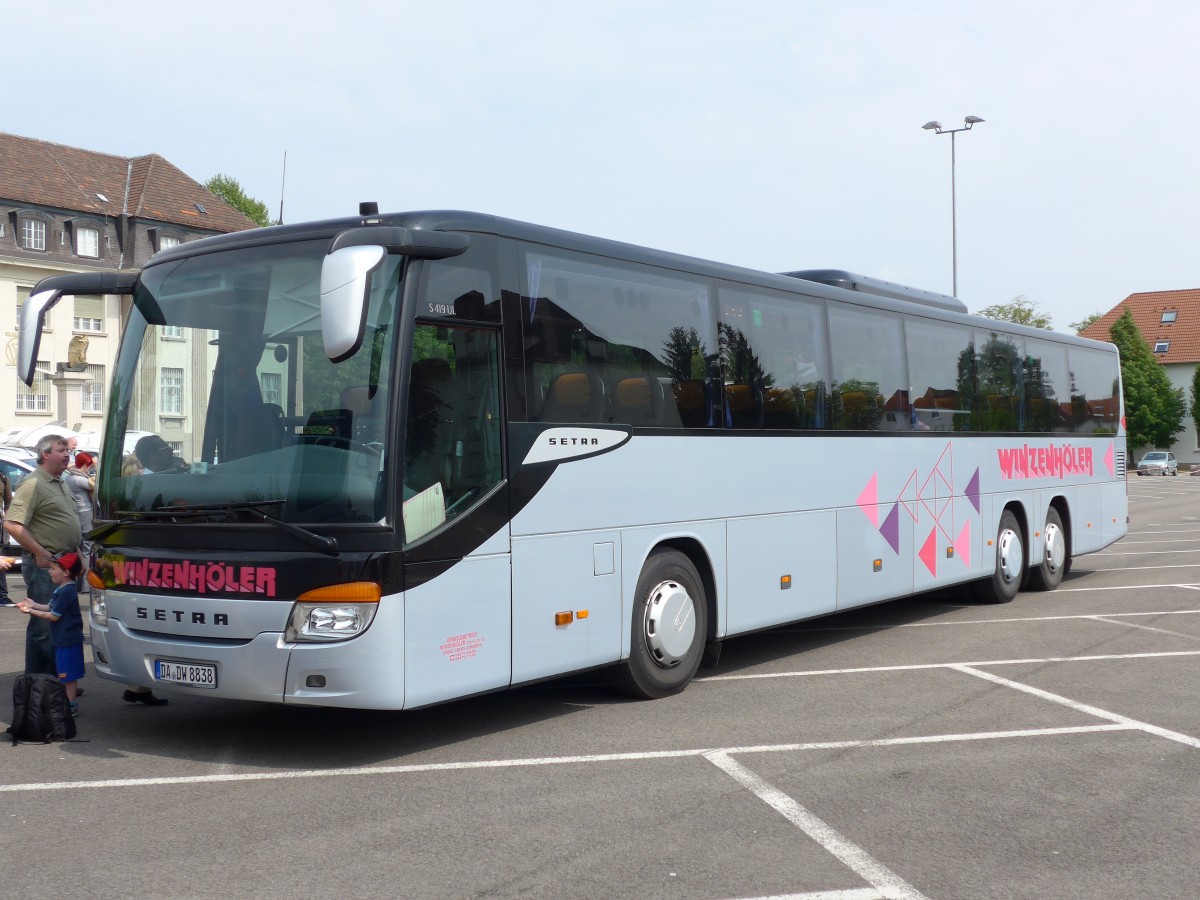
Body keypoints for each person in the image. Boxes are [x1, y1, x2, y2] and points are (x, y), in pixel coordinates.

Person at [5, 434, 80, 675]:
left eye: (68, 450)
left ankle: (58, 682)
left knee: (59, 625)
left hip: (65, 562)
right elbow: (12, 524)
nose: (67, 454)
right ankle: (40, 686)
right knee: (43, 627)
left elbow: (67, 523)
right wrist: (42, 553)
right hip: (47, 565)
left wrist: (79, 554)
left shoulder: (60, 482)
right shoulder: (33, 483)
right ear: (45, 454)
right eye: (61, 450)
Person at [16, 552, 84, 716]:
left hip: (68, 640)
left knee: (68, 676)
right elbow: (50, 607)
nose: (49, 571)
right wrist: (34, 604)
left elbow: (54, 616)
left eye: (53, 569)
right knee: (64, 673)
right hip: (62, 639)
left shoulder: (66, 591)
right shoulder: (62, 588)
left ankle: (70, 705)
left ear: (66, 572)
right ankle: (66, 702)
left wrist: (31, 611)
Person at [0, 468, 12, 606]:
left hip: (0, 526)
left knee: (1, 561)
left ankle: (2, 595)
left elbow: (9, 501)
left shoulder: (3, 477)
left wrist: (6, 521)